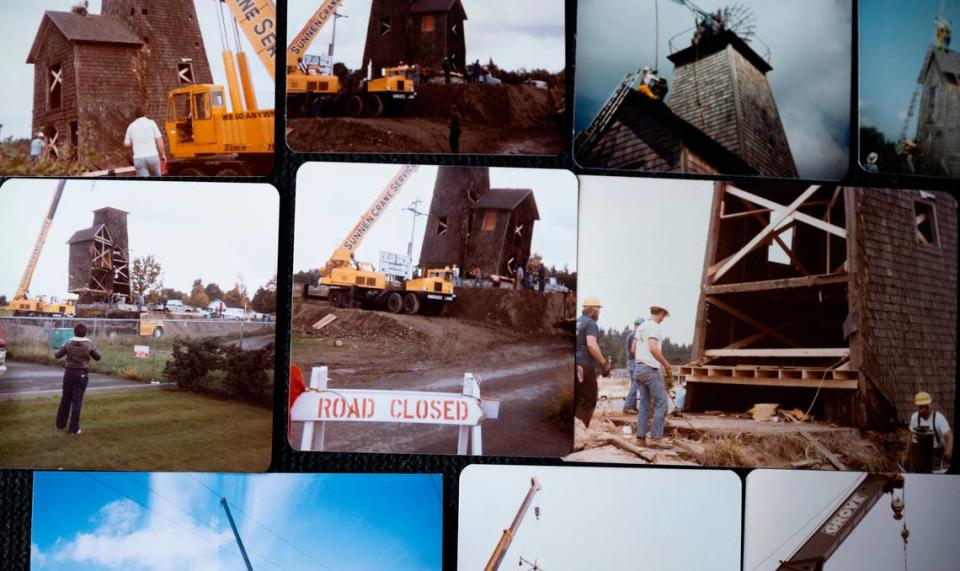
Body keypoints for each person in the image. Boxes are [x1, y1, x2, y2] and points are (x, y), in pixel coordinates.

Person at [631, 305, 672, 448]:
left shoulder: (641, 326)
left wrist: (642, 360)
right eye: (663, 316)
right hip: (649, 369)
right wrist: (665, 364)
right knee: (662, 403)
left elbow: (633, 348)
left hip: (638, 368)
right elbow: (653, 348)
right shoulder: (654, 326)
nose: (663, 319)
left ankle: (640, 439)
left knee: (644, 405)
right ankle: (655, 439)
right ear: (661, 313)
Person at [54, 323, 101, 435]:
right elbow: (98, 357)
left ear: (74, 332)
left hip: (69, 373)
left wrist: (66, 350)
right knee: (77, 401)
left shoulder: (68, 343)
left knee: (65, 398)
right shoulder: (89, 344)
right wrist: (90, 351)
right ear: (85, 333)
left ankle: (61, 423)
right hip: (81, 374)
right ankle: (73, 429)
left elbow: (57, 355)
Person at [575, 296, 611, 427]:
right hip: (585, 365)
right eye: (598, 309)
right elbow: (591, 344)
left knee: (578, 400)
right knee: (588, 401)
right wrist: (603, 363)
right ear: (593, 309)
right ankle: (580, 432)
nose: (599, 312)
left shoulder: (578, 322)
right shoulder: (590, 323)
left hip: (575, 364)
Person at [902, 391, 953, 473]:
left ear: (930, 405)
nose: (924, 410)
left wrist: (948, 452)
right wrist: (906, 454)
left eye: (926, 407)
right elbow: (910, 434)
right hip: (920, 453)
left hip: (936, 453)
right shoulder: (915, 417)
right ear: (918, 407)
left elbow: (949, 436)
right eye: (921, 407)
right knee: (920, 476)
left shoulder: (939, 418)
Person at [124, 106, 166, 177]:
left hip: (139, 158)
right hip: (153, 156)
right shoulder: (152, 123)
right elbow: (159, 140)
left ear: (135, 115)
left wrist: (135, 142)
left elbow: (126, 144)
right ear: (144, 113)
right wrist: (162, 154)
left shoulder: (131, 126)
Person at [622, 316, 646, 414]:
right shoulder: (634, 335)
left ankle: (632, 406)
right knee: (635, 386)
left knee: (634, 385)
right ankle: (628, 406)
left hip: (632, 363)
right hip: (634, 363)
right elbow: (634, 350)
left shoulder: (633, 334)